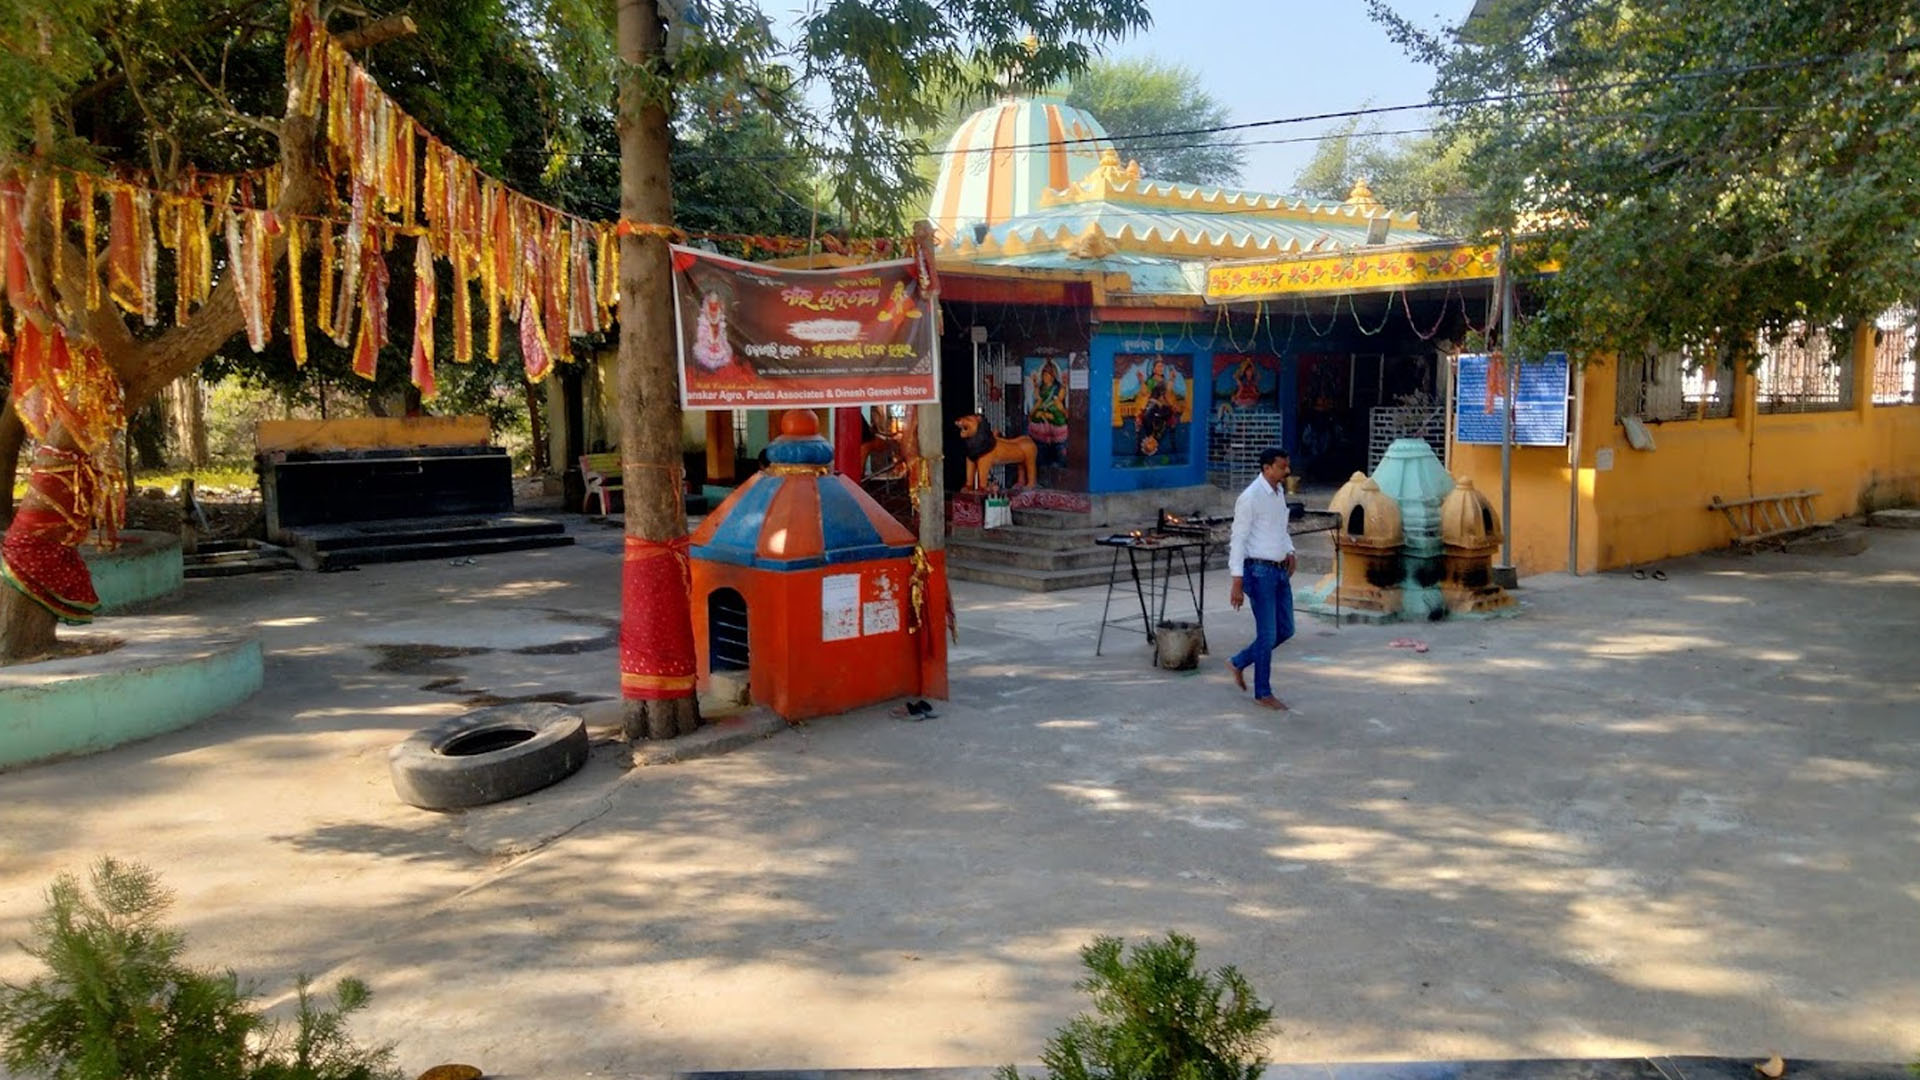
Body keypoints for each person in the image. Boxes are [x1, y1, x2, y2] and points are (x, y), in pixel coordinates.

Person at [1226, 447, 1297, 710]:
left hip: (1279, 570)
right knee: (1267, 634)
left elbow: (1280, 527)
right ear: (1266, 468)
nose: (1286, 471)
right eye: (1281, 466)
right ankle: (1263, 692)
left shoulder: (1278, 494)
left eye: (1286, 466)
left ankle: (1239, 661)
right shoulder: (1250, 498)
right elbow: (1238, 539)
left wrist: (1290, 551)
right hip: (1258, 572)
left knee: (1286, 629)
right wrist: (1237, 581)